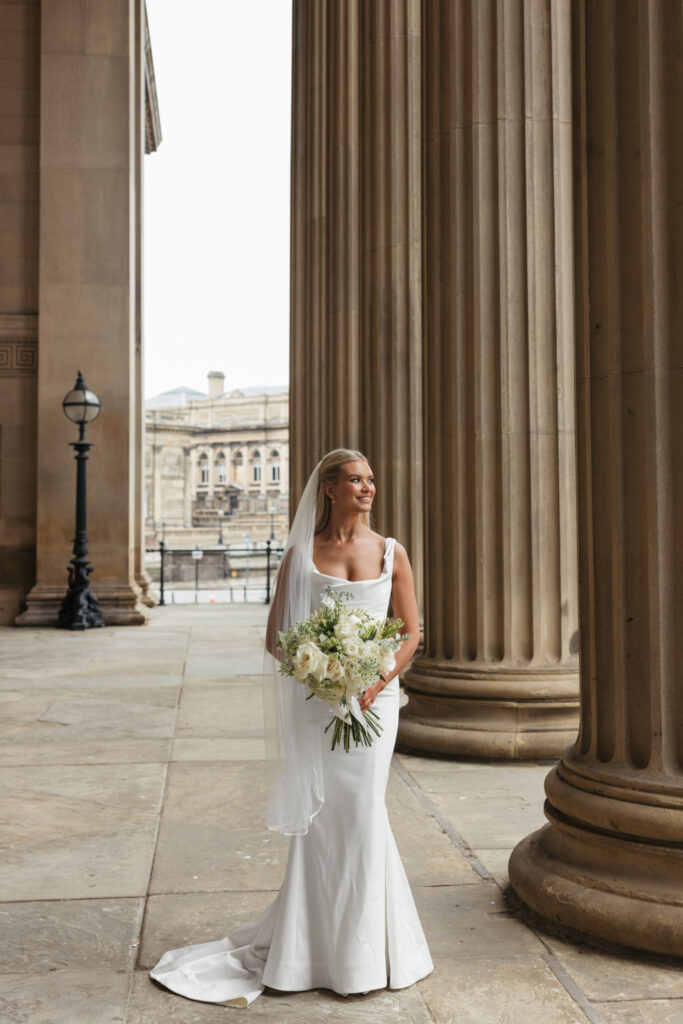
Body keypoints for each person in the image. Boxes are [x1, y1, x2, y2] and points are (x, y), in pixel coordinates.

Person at [149, 448, 433, 1006]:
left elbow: (410, 634)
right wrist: (325, 681)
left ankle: (368, 952)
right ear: (329, 489)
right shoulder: (302, 554)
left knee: (363, 813)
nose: (368, 488)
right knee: (325, 819)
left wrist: (373, 681)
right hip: (320, 704)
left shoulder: (392, 552)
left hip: (376, 707)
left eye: (371, 479)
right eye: (356, 480)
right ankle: (311, 952)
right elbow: (277, 636)